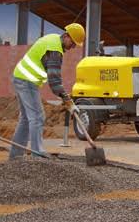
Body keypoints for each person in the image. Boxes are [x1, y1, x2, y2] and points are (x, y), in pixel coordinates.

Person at [9, 22, 85, 159]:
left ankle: (15, 156)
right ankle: (37, 155)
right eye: (73, 43)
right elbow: (55, 82)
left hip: (21, 77)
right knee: (37, 117)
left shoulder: (54, 39)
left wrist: (67, 101)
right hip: (26, 81)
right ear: (67, 36)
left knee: (26, 119)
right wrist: (68, 101)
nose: (73, 47)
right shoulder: (55, 50)